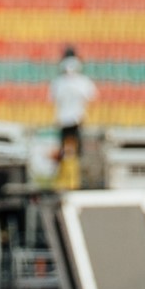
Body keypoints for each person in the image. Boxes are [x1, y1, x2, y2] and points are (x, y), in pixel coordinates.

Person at [49, 48, 96, 188]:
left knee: (71, 153)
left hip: (70, 121)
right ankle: (70, 180)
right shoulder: (79, 82)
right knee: (69, 153)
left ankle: (72, 180)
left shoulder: (61, 82)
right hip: (71, 121)